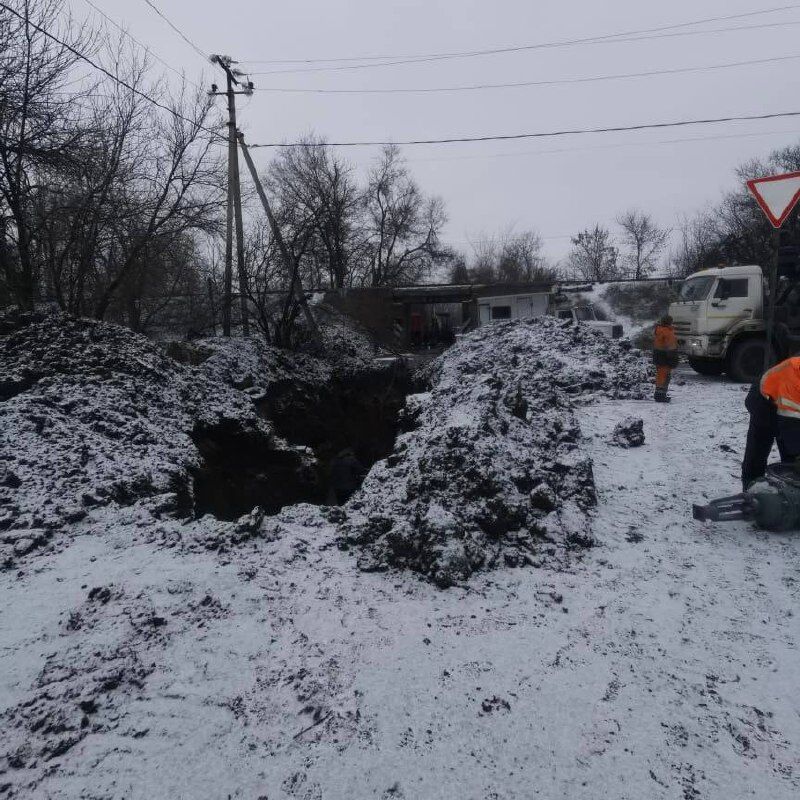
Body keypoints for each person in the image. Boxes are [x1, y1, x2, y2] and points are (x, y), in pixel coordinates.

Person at [741, 356, 800, 489]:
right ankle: (751, 491)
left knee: (791, 459)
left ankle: (791, 491)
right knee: (757, 453)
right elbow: (790, 423)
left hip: (789, 409)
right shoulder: (795, 378)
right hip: (764, 404)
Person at [652, 315, 679, 403]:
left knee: (660, 376)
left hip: (658, 356)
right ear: (670, 322)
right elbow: (670, 348)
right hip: (665, 357)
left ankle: (658, 394)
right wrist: (673, 360)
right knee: (665, 377)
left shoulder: (659, 329)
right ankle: (661, 396)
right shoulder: (668, 332)